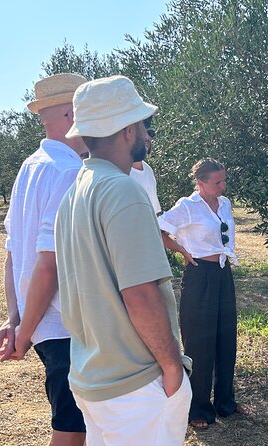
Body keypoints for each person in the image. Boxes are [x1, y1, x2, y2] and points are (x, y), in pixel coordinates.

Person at [54, 75, 192, 445]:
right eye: (144, 125)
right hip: (135, 386)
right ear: (128, 129)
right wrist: (172, 368)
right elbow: (141, 294)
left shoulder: (73, 196)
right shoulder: (124, 191)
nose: (148, 135)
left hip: (92, 378)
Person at [0, 73, 88, 446]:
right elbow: (50, 266)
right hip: (64, 327)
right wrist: (23, 332)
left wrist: (15, 318)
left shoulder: (29, 168)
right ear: (71, 114)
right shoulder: (69, 173)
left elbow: (14, 254)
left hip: (44, 327)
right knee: (70, 432)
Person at [158, 158, 249, 429]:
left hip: (223, 274)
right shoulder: (187, 206)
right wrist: (183, 251)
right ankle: (198, 408)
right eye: (217, 182)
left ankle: (225, 403)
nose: (223, 185)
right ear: (201, 183)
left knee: (225, 339)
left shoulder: (225, 203)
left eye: (224, 180)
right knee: (199, 343)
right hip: (199, 276)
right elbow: (159, 230)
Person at [130, 118, 161, 214]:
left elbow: (154, 212)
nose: (148, 137)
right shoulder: (119, 170)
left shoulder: (148, 170)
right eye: (143, 131)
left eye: (151, 133)